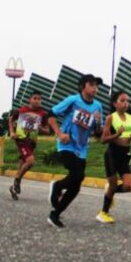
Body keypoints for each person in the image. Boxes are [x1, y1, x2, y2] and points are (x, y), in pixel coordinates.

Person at [46, 74, 104, 228]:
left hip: (82, 148)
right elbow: (50, 114)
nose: (95, 88)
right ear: (83, 86)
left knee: (76, 185)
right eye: (91, 85)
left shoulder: (98, 106)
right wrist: (59, 133)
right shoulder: (73, 100)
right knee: (78, 175)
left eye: (96, 86)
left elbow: (97, 133)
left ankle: (55, 214)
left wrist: (98, 124)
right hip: (66, 145)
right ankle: (57, 186)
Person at [97, 90, 131, 223]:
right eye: (122, 100)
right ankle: (103, 213)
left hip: (126, 154)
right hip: (112, 153)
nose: (126, 103)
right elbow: (103, 140)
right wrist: (116, 134)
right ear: (115, 103)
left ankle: (110, 191)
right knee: (113, 184)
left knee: (128, 186)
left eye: (127, 101)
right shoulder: (111, 118)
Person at [8, 90, 49, 200]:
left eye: (39, 99)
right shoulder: (22, 110)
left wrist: (40, 128)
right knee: (30, 161)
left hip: (32, 141)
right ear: (29, 100)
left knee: (23, 163)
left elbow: (47, 130)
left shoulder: (43, 114)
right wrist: (12, 132)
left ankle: (13, 187)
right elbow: (11, 119)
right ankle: (17, 179)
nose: (37, 101)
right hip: (21, 139)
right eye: (35, 98)